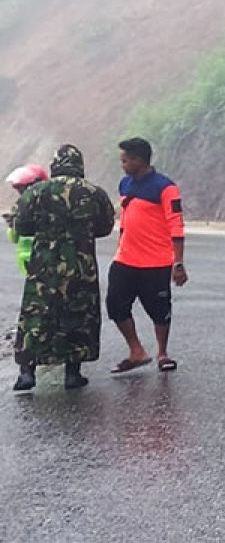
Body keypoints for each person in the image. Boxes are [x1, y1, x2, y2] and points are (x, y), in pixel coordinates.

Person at [11, 145, 115, 391]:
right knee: (78, 315)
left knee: (36, 316)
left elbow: (21, 227)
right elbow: (105, 226)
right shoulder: (94, 192)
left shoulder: (36, 191)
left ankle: (27, 372)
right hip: (81, 266)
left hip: (43, 267)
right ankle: (72, 373)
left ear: (55, 165)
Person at [106, 137, 187, 374]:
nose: (122, 164)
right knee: (115, 305)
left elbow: (176, 225)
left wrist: (178, 262)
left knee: (159, 309)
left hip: (156, 261)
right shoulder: (124, 185)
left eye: (125, 160)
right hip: (124, 259)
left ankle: (162, 353)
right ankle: (136, 351)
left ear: (139, 160)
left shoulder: (166, 187)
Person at [5, 165, 49, 275]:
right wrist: (12, 224)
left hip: (40, 260)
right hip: (31, 261)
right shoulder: (21, 206)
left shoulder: (44, 205)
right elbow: (14, 238)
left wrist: (13, 224)